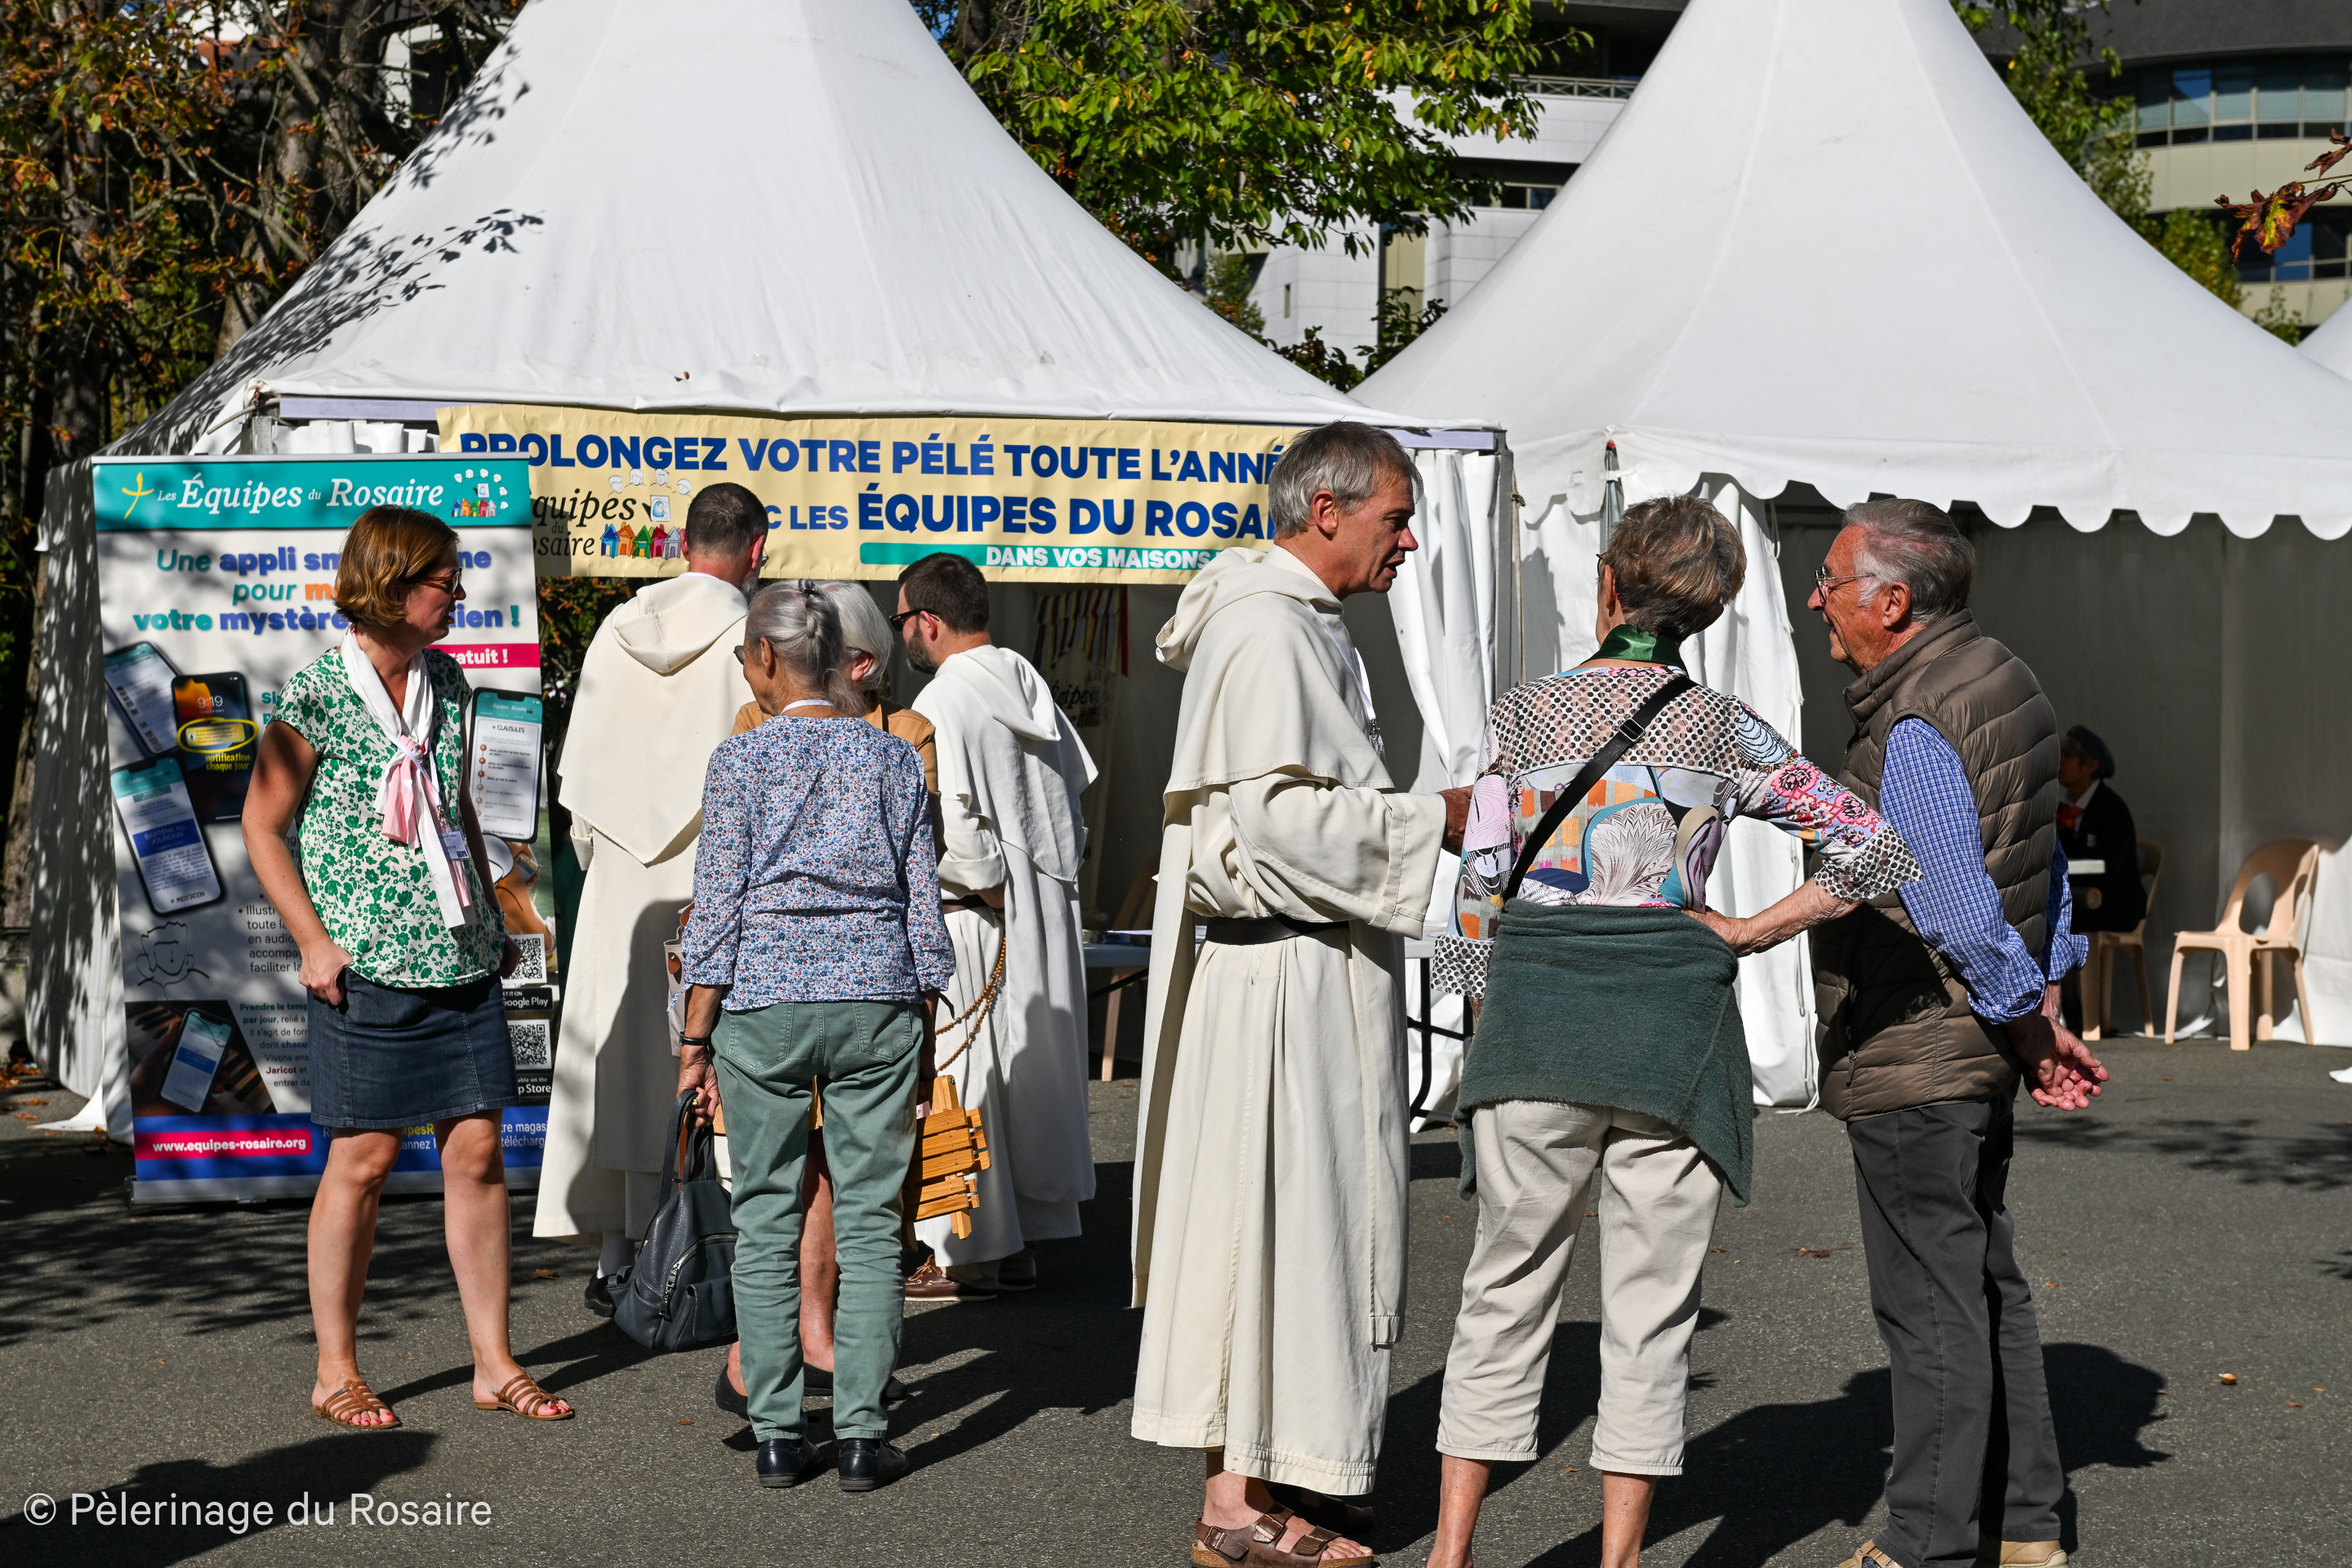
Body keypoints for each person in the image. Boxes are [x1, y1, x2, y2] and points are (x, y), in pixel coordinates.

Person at [1422, 497, 1922, 1568]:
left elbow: (1477, 890)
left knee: (1502, 1292)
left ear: (1609, 584)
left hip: (1539, 1023)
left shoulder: (1525, 715)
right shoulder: (1726, 729)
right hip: (1674, 1032)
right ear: (1711, 610)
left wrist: (1482, 1021)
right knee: (1652, 1312)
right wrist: (1744, 930)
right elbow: (1876, 852)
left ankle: (1451, 1554)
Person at [1129, 422, 1472, 1567]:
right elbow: (1277, 827)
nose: (1408, 541)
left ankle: (1275, 1468)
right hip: (1280, 976)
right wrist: (1432, 818)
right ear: (1326, 511)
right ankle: (1235, 1506)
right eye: (1394, 518)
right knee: (1263, 1220)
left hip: (1305, 967)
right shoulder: (1270, 626)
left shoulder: (1296, 619)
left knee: (1294, 1222)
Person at [1803, 500, 2109, 1568]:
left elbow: (1958, 906)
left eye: (1831, 580)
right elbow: (2045, 866)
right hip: (1969, 1040)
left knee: (1932, 1305)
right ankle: (2024, 1526)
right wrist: (2042, 1009)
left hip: (1917, 1039)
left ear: (1893, 602)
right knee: (1984, 1286)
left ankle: (1924, 1545)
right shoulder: (2006, 677)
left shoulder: (1917, 719)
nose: (1816, 599)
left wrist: (2026, 1018)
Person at [243, 506, 568, 1428]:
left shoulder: (448, 681)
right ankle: (335, 1371)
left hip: (461, 955)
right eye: (443, 582)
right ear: (391, 585)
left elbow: (456, 809)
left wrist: (500, 912)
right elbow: (261, 826)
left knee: (477, 1154)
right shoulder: (316, 695)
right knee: (364, 1162)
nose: (458, 595)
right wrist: (314, 941)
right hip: (369, 966)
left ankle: (494, 1363)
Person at [675, 581, 954, 1492]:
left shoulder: (740, 759)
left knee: (765, 1218)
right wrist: (926, 1015)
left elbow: (717, 909)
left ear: (764, 658)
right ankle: (865, 1436)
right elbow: (922, 903)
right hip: (878, 998)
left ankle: (778, 1435)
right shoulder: (893, 756)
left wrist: (694, 1037)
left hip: (764, 1003)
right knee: (872, 1223)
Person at [534, 483, 763, 1308]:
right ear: (757, 550)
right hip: (714, 874)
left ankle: (617, 1254)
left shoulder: (617, 627)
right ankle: (719, 1250)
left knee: (620, 1054)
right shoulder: (753, 637)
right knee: (706, 1056)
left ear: (682, 543)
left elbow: (581, 777)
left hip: (622, 880)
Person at [895, 551, 1098, 1297]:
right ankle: (1018, 1248)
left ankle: (972, 1252)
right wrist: (1033, 897)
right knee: (1021, 1074)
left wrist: (989, 891)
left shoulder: (943, 699)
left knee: (969, 1078)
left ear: (929, 621)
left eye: (901, 619)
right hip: (1042, 911)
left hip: (978, 916)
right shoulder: (1031, 683)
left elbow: (953, 827)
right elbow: (1076, 801)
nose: (900, 635)